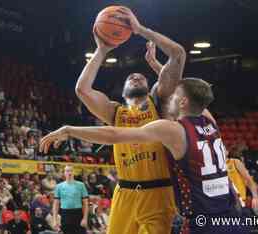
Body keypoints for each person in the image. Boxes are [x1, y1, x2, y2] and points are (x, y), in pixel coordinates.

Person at [40, 78, 248, 234]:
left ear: (183, 102)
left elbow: (114, 134)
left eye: (175, 95)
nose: (170, 98)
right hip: (232, 214)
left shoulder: (173, 130)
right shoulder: (211, 124)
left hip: (204, 219)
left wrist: (69, 129)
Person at [74, 7, 186, 234]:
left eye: (141, 76)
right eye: (131, 77)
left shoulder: (160, 104)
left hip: (157, 193)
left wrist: (140, 30)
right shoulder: (115, 113)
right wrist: (101, 50)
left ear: (150, 86)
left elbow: (178, 55)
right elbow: (82, 90)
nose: (135, 76)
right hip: (123, 193)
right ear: (123, 92)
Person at [53, 165, 88, 234]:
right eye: (67, 171)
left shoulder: (81, 185)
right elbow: (56, 205)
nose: (69, 172)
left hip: (78, 213)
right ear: (64, 173)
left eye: (71, 170)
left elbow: (85, 203)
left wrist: (85, 218)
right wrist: (55, 220)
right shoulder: (59, 186)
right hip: (65, 214)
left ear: (74, 172)